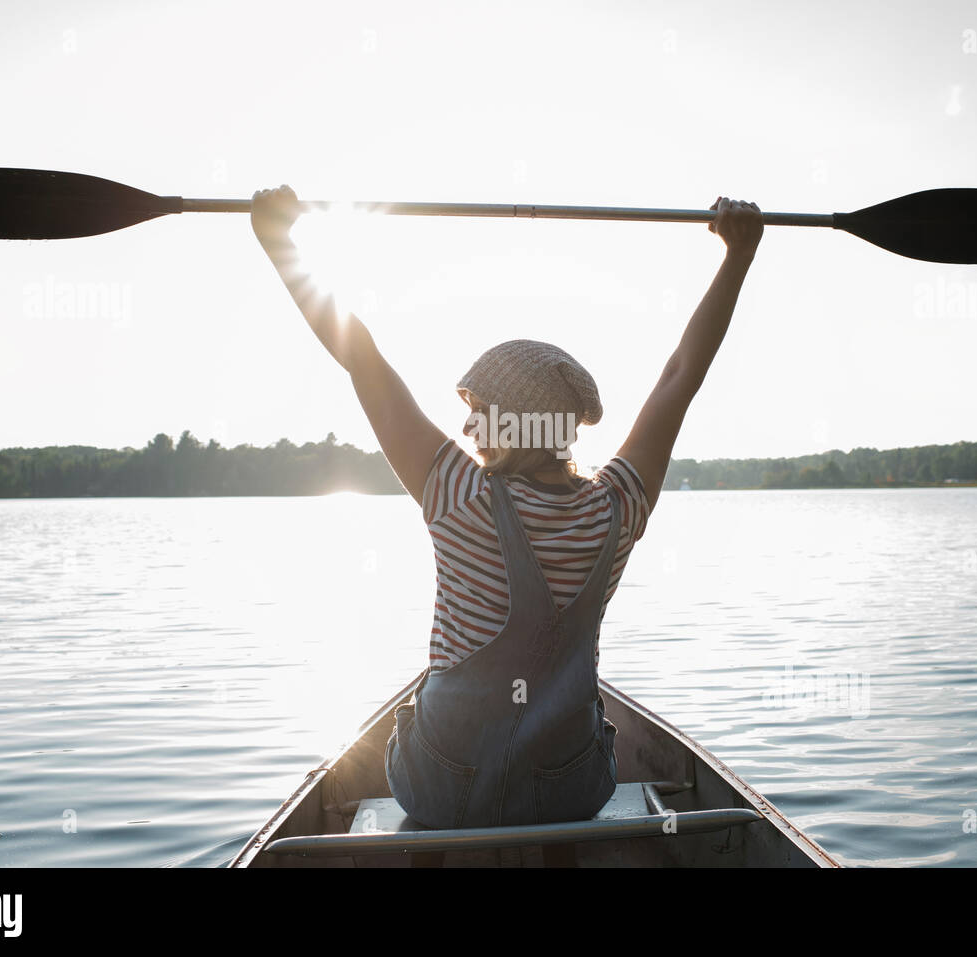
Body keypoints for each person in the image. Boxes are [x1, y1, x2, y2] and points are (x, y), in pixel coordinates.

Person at [251, 188, 763, 827]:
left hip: (439, 789)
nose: (467, 431)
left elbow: (362, 359)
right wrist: (738, 256)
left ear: (512, 421)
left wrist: (281, 244)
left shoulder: (455, 494)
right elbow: (680, 376)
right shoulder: (618, 508)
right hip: (570, 790)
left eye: (477, 412)